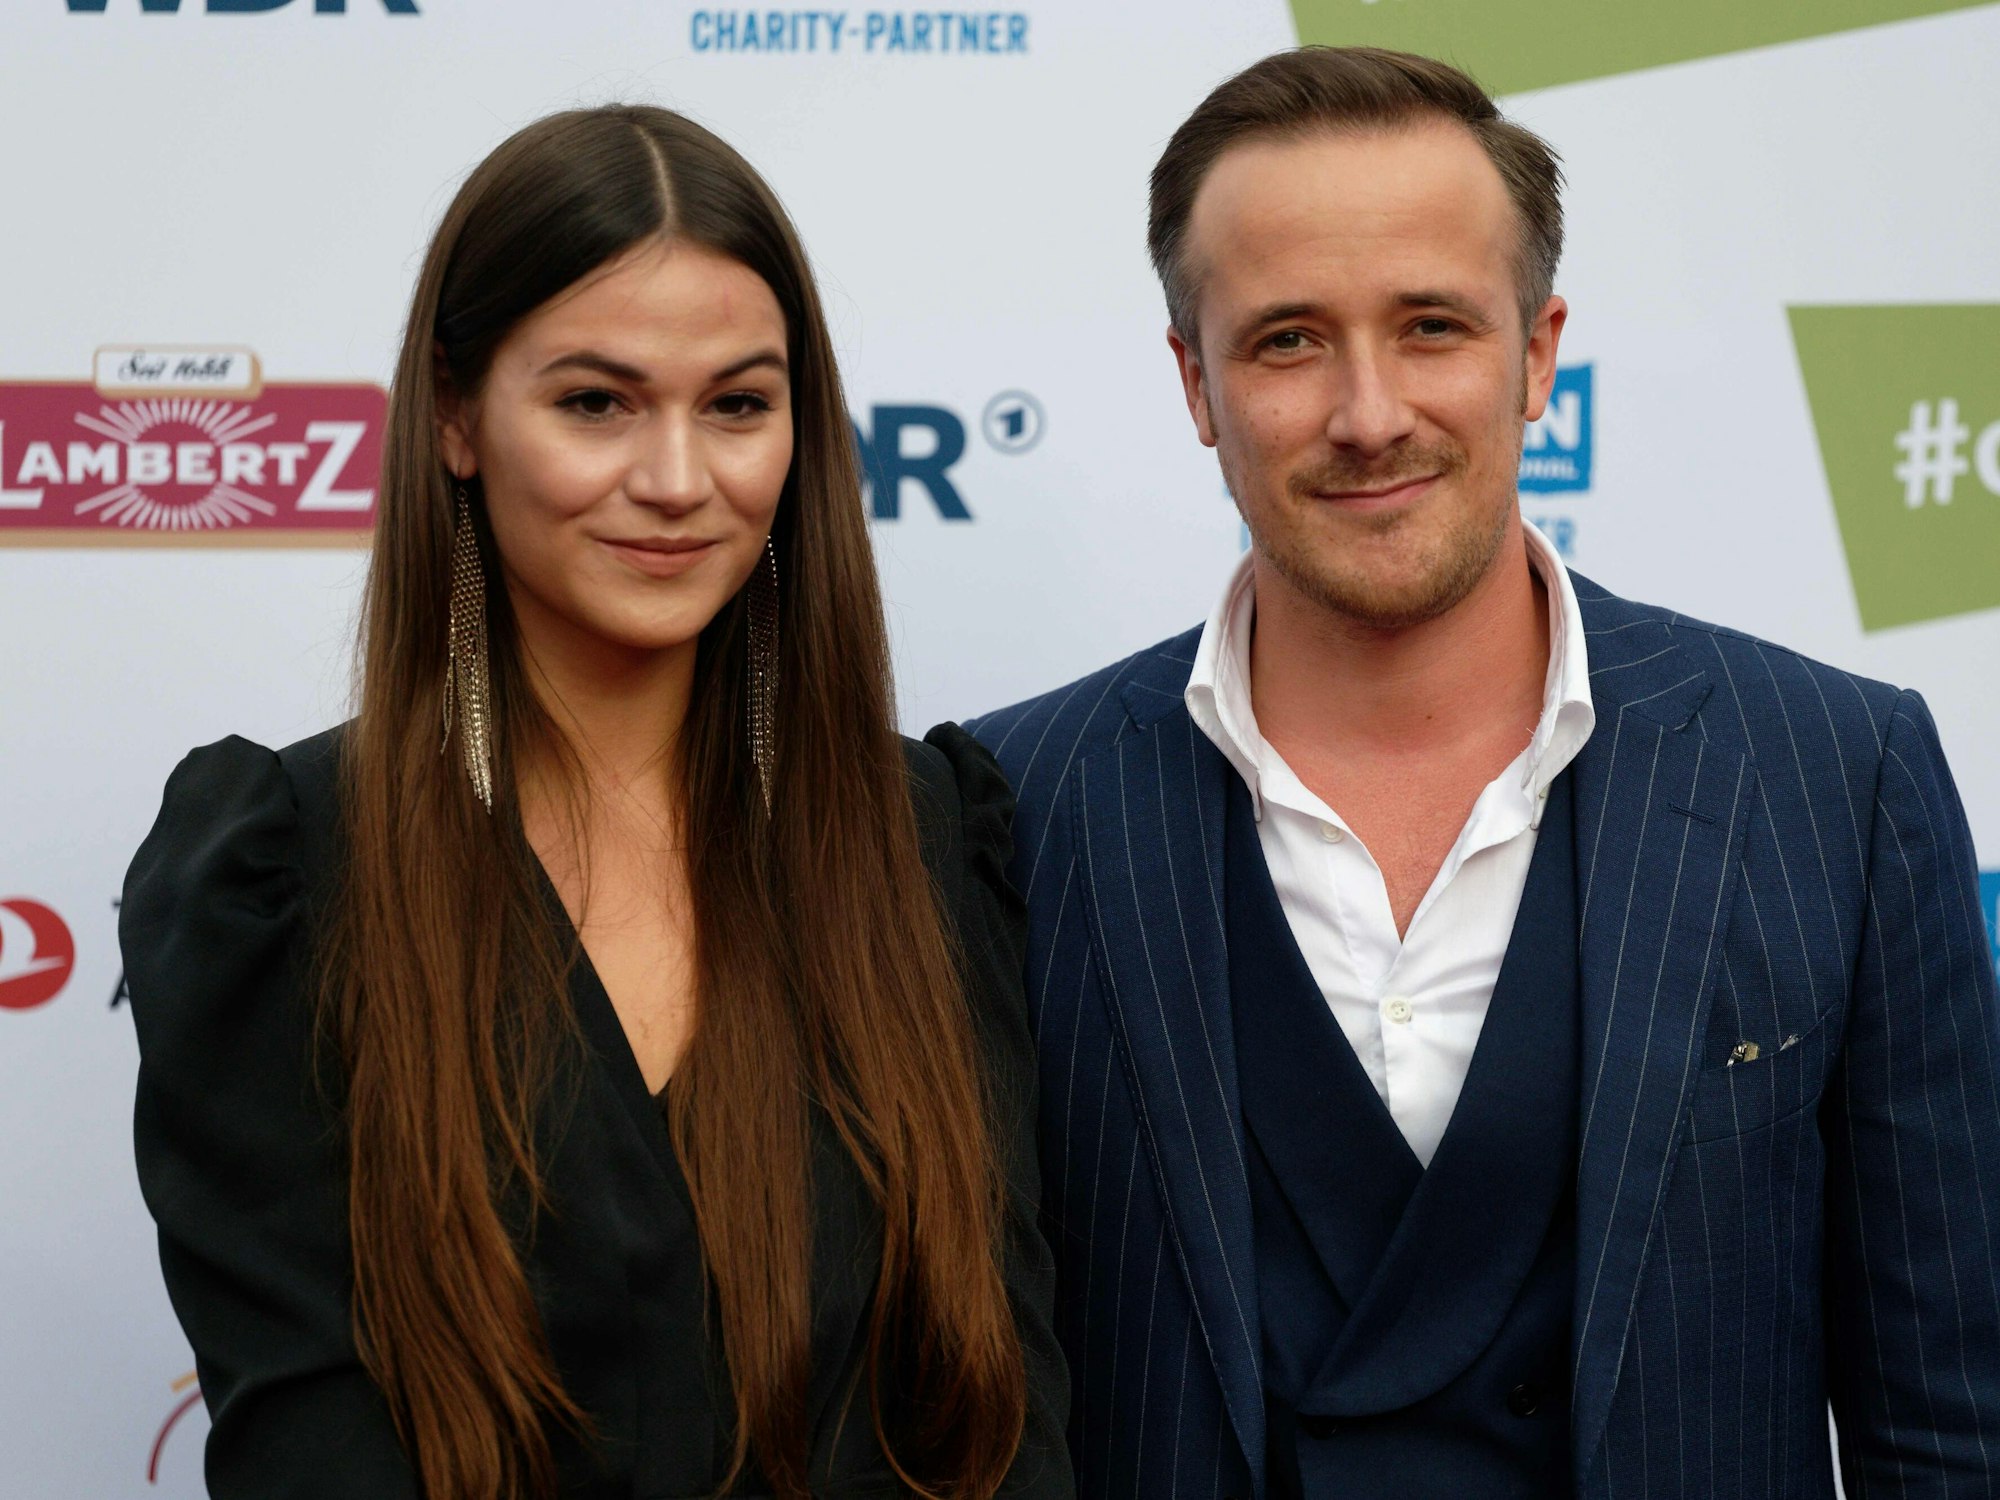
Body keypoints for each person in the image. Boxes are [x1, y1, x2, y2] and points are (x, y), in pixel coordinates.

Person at [969, 46, 2000, 1500]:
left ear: (1537, 353)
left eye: (1432, 327)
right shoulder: (1011, 808)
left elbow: (1951, 1425)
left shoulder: (1833, 774)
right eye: (1287, 341)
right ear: (1195, 383)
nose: (1370, 413)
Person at [121, 105, 1069, 1500]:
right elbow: (310, 1445)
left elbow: (1006, 1418)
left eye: (737, 405)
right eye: (595, 403)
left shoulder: (925, 837)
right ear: (454, 417)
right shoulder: (280, 870)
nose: (677, 482)